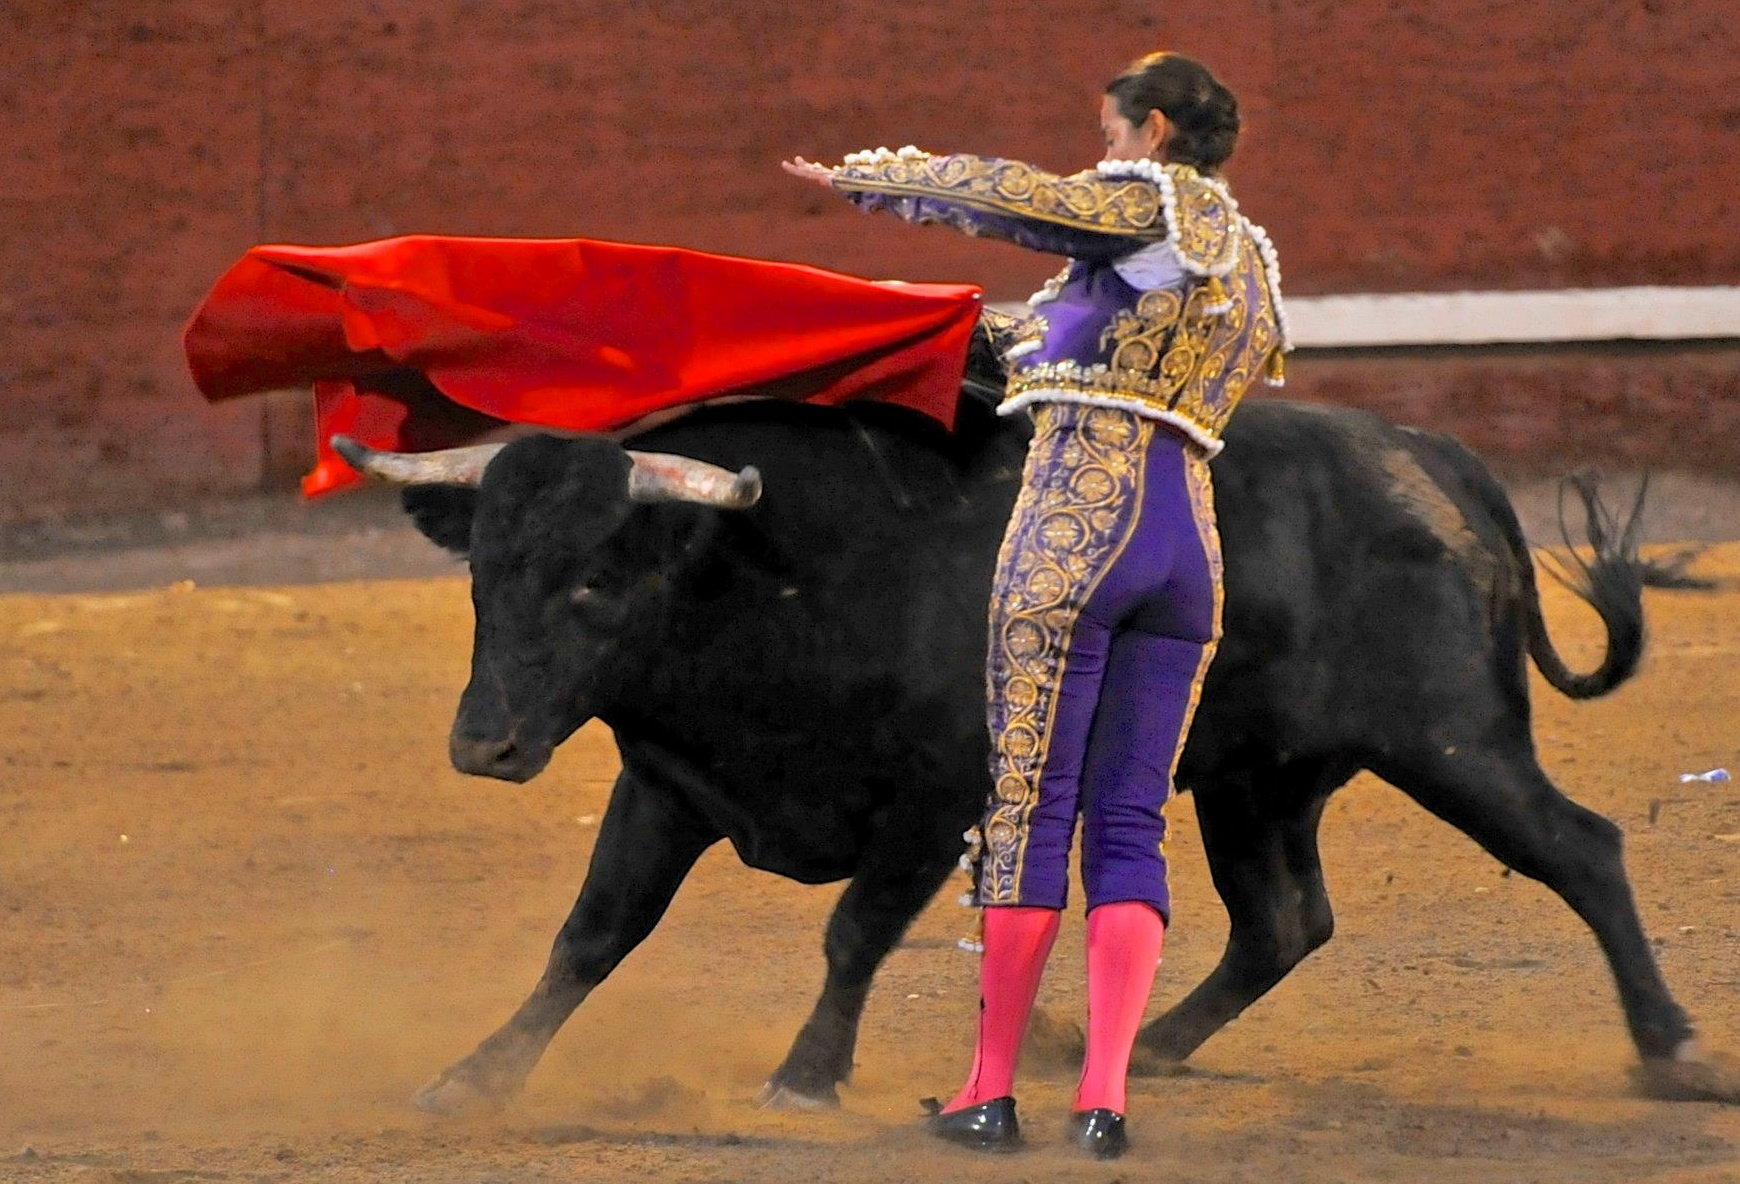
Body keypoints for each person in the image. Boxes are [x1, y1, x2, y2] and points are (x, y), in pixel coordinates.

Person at [783, 51, 1288, 1159]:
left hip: (1079, 530)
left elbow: (1015, 197)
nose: (1103, 153)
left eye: (1111, 133)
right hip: (1186, 549)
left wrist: (868, 179)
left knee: (1029, 810)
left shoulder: (1145, 204)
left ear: (1155, 131)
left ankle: (989, 1091)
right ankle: (1103, 1100)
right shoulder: (1246, 261)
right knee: (1130, 822)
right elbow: (1070, 344)